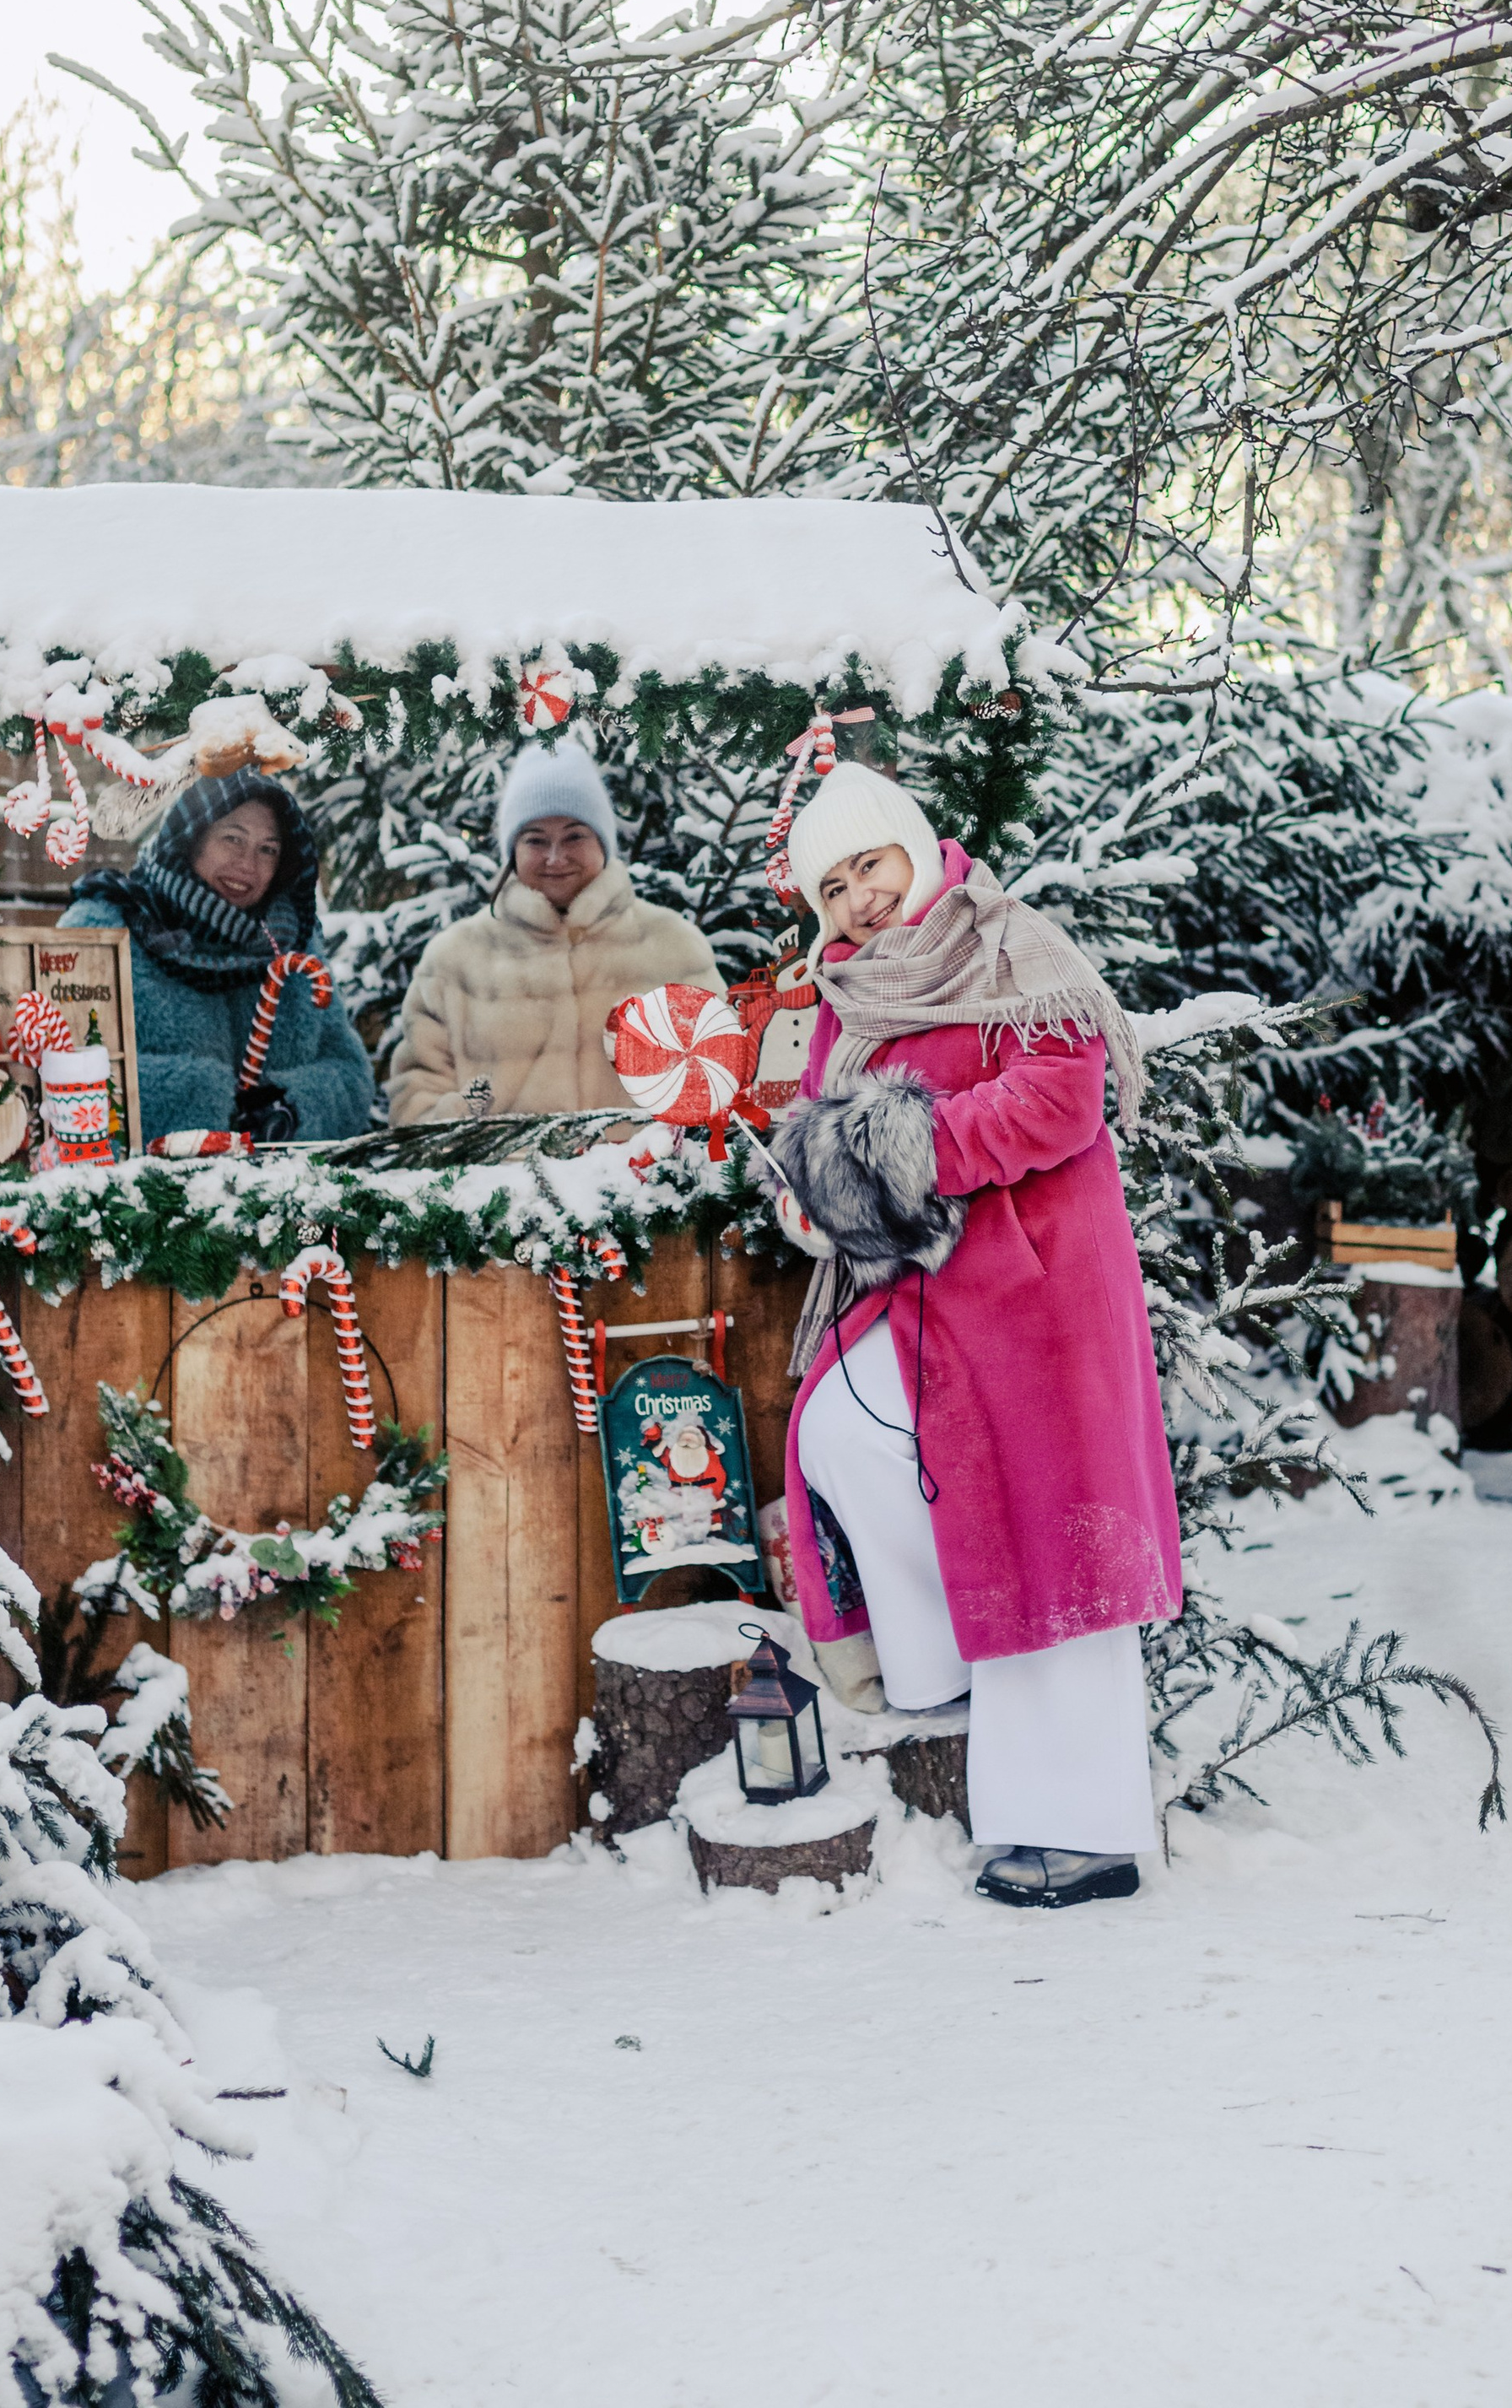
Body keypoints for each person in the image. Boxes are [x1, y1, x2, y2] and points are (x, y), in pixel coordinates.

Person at [765, 761, 1182, 1911]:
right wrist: (818, 1198)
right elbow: (829, 1136)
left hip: (1039, 1296)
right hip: (925, 1298)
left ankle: (1082, 1836)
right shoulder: (850, 994)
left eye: (870, 865)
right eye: (833, 886)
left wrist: (899, 1157)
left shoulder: (1008, 944)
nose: (858, 897)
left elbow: (1059, 1100)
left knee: (1057, 1538)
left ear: (914, 847)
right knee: (838, 1434)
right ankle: (940, 1652)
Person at [387, 736, 721, 1123]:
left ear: (603, 842)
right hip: (504, 1165)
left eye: (575, 836)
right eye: (535, 840)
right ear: (513, 851)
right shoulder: (453, 961)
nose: (555, 857)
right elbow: (414, 1103)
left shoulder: (675, 947)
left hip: (645, 1164)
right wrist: (466, 1126)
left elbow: (720, 1082)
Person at [66, 768, 375, 1145]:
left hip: (284, 1178)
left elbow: (349, 1070)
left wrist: (289, 1108)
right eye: (233, 839)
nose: (248, 865)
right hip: (141, 1179)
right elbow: (61, 1074)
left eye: (268, 849)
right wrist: (202, 1107)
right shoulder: (105, 928)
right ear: (191, 839)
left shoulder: (293, 944)